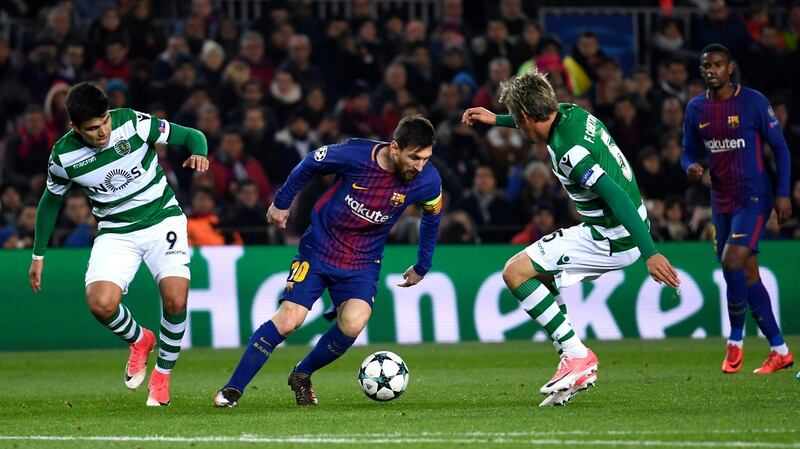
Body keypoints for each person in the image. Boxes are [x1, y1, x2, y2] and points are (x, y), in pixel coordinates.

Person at [462, 68, 680, 406]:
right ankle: (572, 359)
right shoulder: (571, 112)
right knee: (540, 272)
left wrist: (649, 252)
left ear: (525, 117)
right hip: (617, 227)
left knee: (515, 272)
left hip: (612, 236)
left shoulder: (569, 152)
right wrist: (497, 119)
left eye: (517, 122)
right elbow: (535, 112)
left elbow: (614, 196)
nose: (518, 128)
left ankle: (577, 355)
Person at [214, 116, 443, 408]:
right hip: (320, 249)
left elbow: (433, 216)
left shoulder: (428, 179)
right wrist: (283, 201)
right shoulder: (355, 154)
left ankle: (302, 374)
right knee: (289, 319)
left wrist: (423, 264)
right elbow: (310, 162)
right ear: (395, 148)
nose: (420, 165)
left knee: (353, 322)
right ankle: (233, 389)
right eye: (415, 157)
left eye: (426, 158)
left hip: (363, 261)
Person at [27, 82, 209, 406]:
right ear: (75, 128)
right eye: (92, 129)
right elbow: (50, 201)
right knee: (100, 303)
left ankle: (162, 378)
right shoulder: (63, 156)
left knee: (175, 299)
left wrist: (199, 152)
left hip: (161, 218)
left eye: (104, 122)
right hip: (115, 231)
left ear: (109, 113)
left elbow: (192, 135)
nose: (102, 132)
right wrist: (38, 254)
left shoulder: (132, 122)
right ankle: (140, 340)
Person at [682, 44, 793, 375]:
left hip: (754, 197)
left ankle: (735, 342)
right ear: (701, 71)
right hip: (721, 201)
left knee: (732, 262)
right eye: (706, 66)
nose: (712, 70)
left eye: (718, 65)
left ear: (730, 69)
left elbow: (781, 149)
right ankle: (780, 350)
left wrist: (783, 193)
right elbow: (687, 152)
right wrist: (690, 166)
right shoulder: (696, 109)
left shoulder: (753, 102)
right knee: (747, 273)